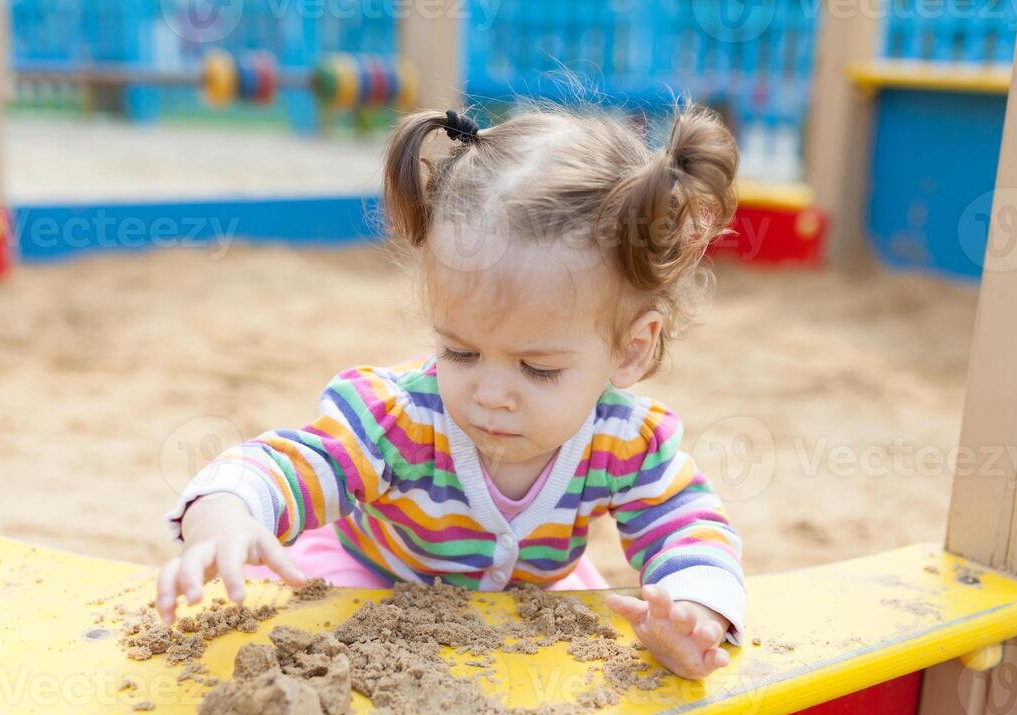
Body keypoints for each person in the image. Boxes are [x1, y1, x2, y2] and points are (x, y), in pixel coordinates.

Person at [158, 102, 745, 679]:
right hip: (373, 587)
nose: (490, 393)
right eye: (460, 352)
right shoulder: (401, 419)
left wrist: (694, 610)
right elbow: (292, 464)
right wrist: (227, 512)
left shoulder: (626, 442)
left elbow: (684, 518)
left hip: (526, 605)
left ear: (631, 348)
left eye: (536, 368)